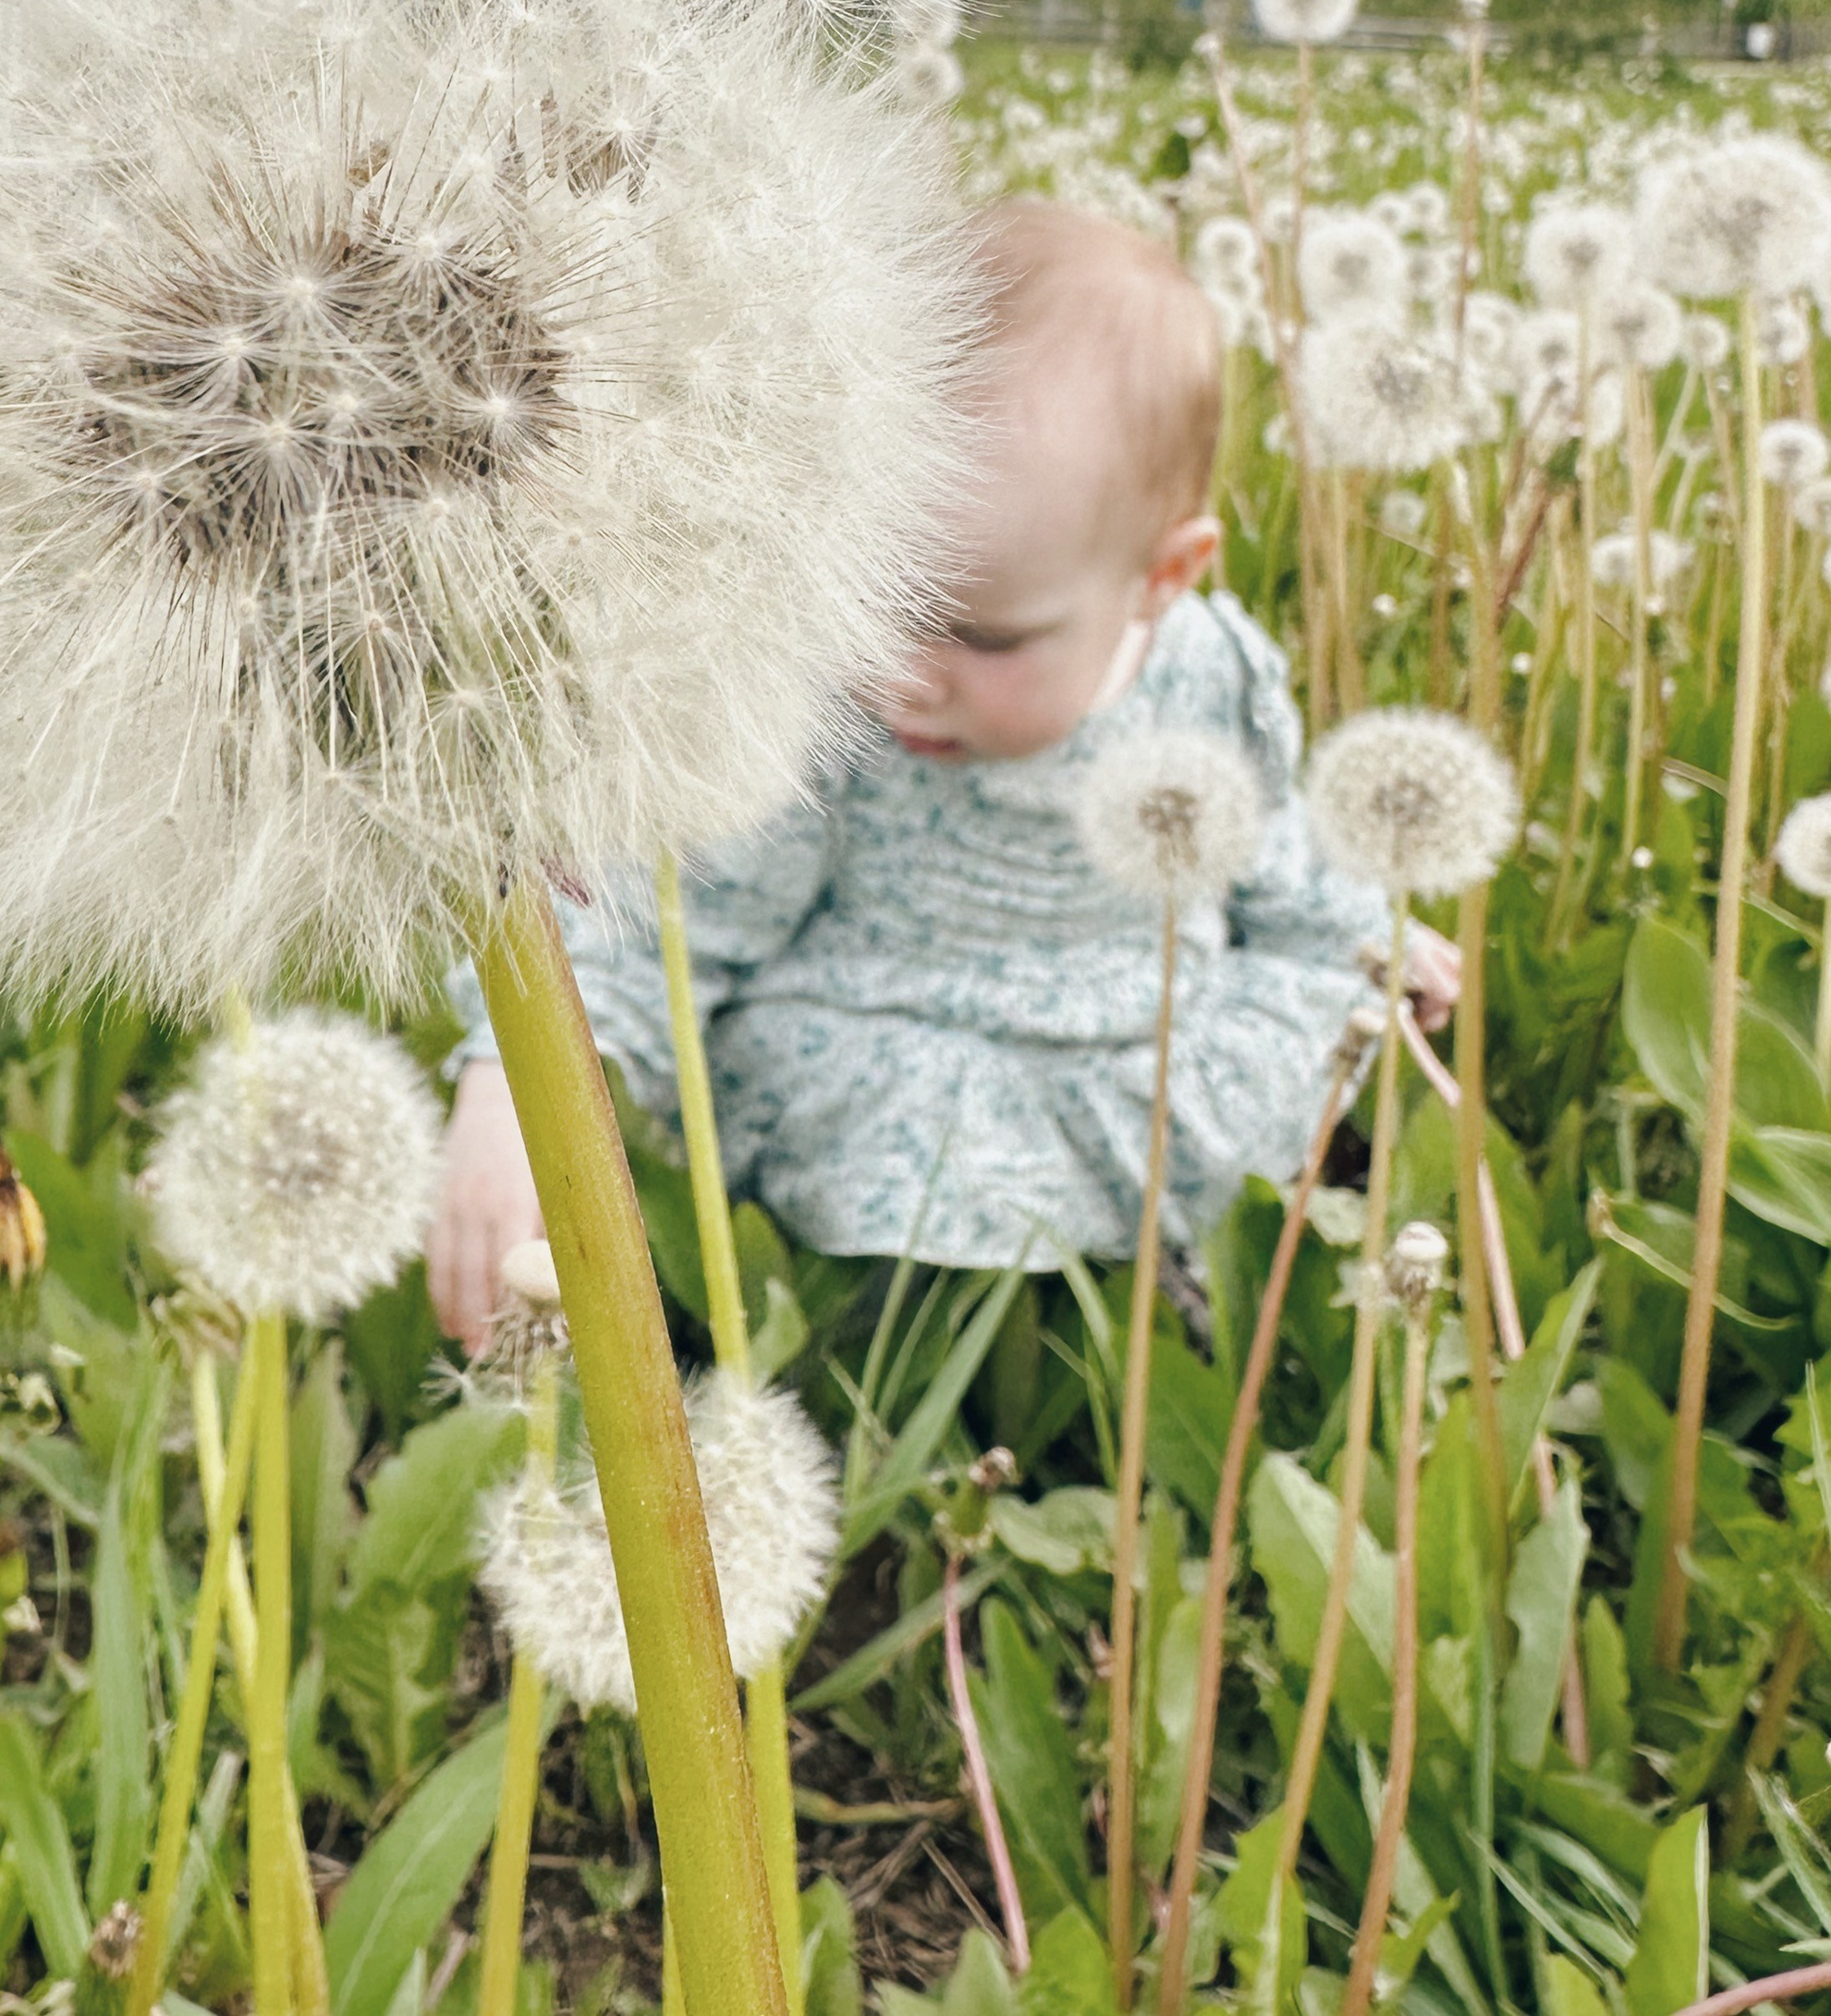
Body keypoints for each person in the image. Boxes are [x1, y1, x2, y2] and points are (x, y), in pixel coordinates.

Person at [426, 196, 1454, 1351]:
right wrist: (514, 1089)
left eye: (980, 635)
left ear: (1164, 578)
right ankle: (879, 1331)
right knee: (868, 1147)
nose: (900, 675)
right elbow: (678, 920)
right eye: (874, 601)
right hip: (894, 1049)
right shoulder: (827, 709)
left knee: (1292, 1038)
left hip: (1143, 1047)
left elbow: (1275, 860)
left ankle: (1168, 1280)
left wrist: (1368, 935)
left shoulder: (1212, 673)